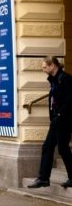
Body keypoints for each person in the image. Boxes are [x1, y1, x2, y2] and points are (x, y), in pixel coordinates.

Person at [27, 57, 72, 189]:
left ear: (52, 65)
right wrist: (54, 117)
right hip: (56, 121)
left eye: (44, 67)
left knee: (63, 149)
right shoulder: (54, 80)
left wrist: (60, 115)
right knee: (48, 146)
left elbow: (70, 100)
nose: (43, 70)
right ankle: (43, 179)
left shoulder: (65, 79)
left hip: (64, 120)